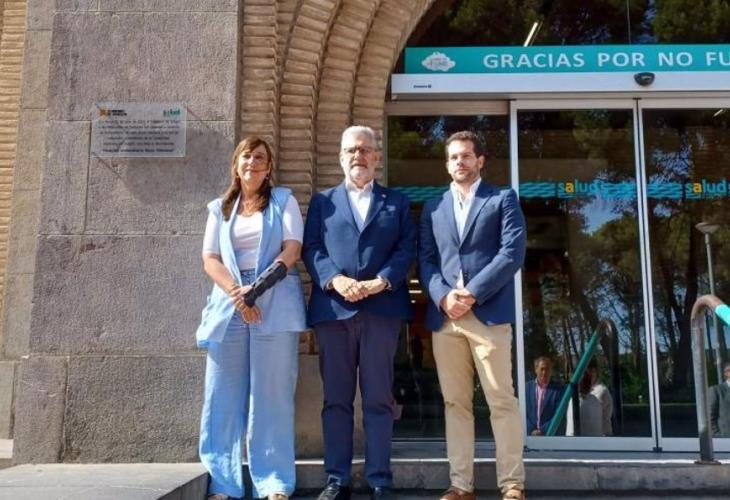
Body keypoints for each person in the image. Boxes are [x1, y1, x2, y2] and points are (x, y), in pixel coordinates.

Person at [303, 125, 416, 500]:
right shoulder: (323, 202)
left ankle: (380, 479)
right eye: (352, 150)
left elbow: (407, 248)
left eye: (366, 149)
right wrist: (335, 280)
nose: (359, 156)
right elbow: (312, 248)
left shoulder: (396, 202)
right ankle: (337, 479)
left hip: (382, 311)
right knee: (336, 399)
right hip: (334, 312)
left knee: (378, 399)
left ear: (377, 157)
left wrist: (380, 282)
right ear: (340, 157)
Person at [196, 136, 307, 500]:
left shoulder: (283, 200)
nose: (253, 163)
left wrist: (255, 291)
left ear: (268, 167)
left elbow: (292, 250)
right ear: (236, 163)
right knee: (222, 395)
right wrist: (238, 294)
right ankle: (222, 484)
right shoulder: (219, 208)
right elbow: (210, 258)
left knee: (272, 394)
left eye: (260, 158)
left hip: (274, 299)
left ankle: (274, 483)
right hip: (229, 303)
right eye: (247, 156)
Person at [419, 130, 527, 500]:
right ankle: (461, 485)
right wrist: (442, 296)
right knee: (455, 403)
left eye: (466, 155)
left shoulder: (502, 199)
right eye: (453, 157)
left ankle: (512, 484)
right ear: (446, 164)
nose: (459, 162)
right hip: (446, 317)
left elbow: (512, 252)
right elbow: (426, 261)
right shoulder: (433, 207)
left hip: (488, 314)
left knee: (501, 401)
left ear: (480, 160)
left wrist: (472, 292)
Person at [525, 356, 566, 436]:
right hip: (530, 437)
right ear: (536, 370)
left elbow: (559, 415)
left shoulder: (559, 390)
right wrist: (531, 430)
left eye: (547, 369)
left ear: (551, 371)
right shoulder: (527, 388)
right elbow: (522, 412)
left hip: (550, 436)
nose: (544, 372)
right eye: (542, 369)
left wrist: (542, 431)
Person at [578, 360, 613, 436]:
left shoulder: (601, 391)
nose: (589, 375)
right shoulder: (583, 393)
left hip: (602, 436)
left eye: (592, 371)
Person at [709, 361, 730, 437]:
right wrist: (717, 435)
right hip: (725, 437)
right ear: (727, 373)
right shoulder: (717, 390)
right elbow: (710, 416)